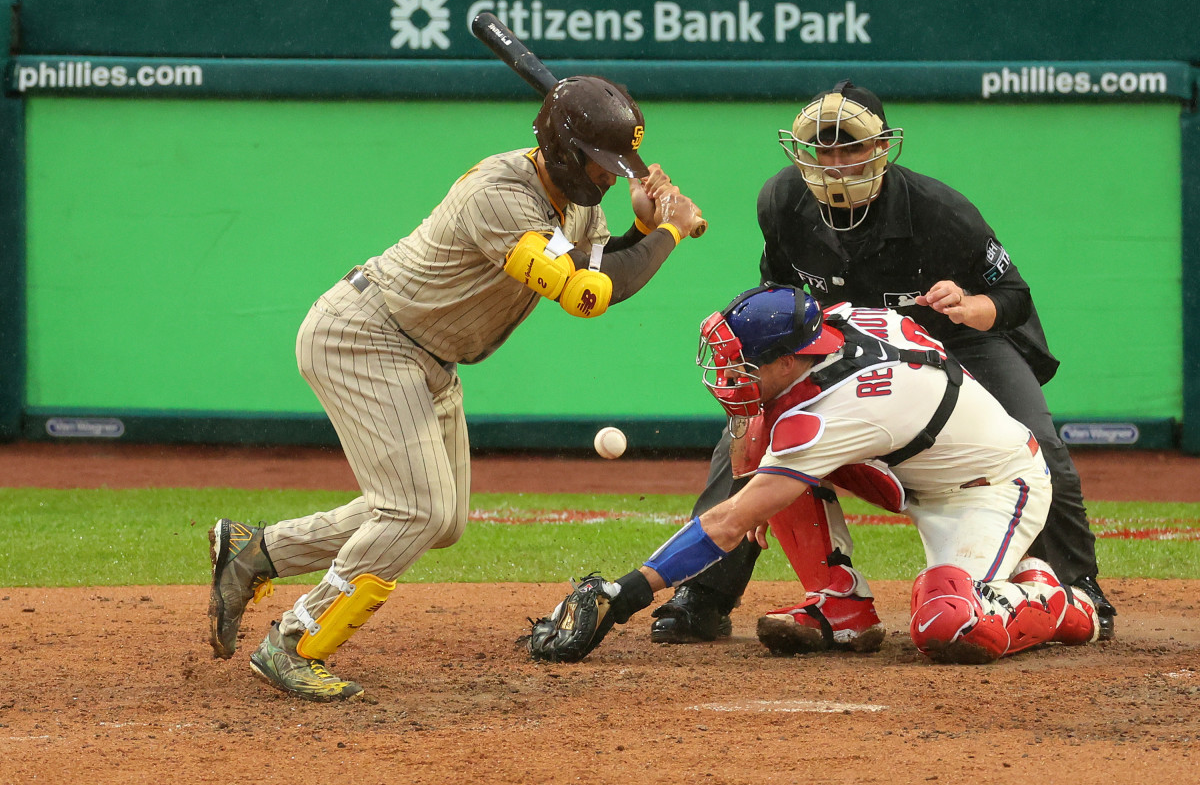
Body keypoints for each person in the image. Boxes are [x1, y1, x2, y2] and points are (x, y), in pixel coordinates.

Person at [206, 75, 704, 701]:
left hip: (429, 356)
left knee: (439, 521)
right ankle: (294, 642)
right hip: (367, 338)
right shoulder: (500, 196)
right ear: (560, 149)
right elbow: (584, 296)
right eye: (600, 164)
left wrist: (641, 229)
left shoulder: (581, 205)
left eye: (616, 167)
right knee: (416, 510)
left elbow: (597, 268)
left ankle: (256, 553)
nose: (608, 177)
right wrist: (672, 232)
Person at [649, 80, 1116, 649]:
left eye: (852, 149)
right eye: (825, 152)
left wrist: (969, 306)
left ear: (881, 149)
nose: (838, 164)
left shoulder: (940, 212)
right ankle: (703, 595)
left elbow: (1014, 297)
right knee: (745, 435)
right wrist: (757, 415)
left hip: (953, 343)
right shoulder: (782, 201)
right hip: (847, 344)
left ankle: (1078, 588)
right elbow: (781, 295)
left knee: (1039, 441)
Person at [526, 286, 1099, 665]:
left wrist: (621, 595)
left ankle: (1058, 603)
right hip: (912, 465)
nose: (729, 376)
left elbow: (729, 523)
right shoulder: (834, 325)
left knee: (947, 625)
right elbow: (768, 422)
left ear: (783, 361)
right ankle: (841, 607)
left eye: (744, 366)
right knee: (776, 453)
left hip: (993, 489)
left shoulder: (843, 408)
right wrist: (756, 455)